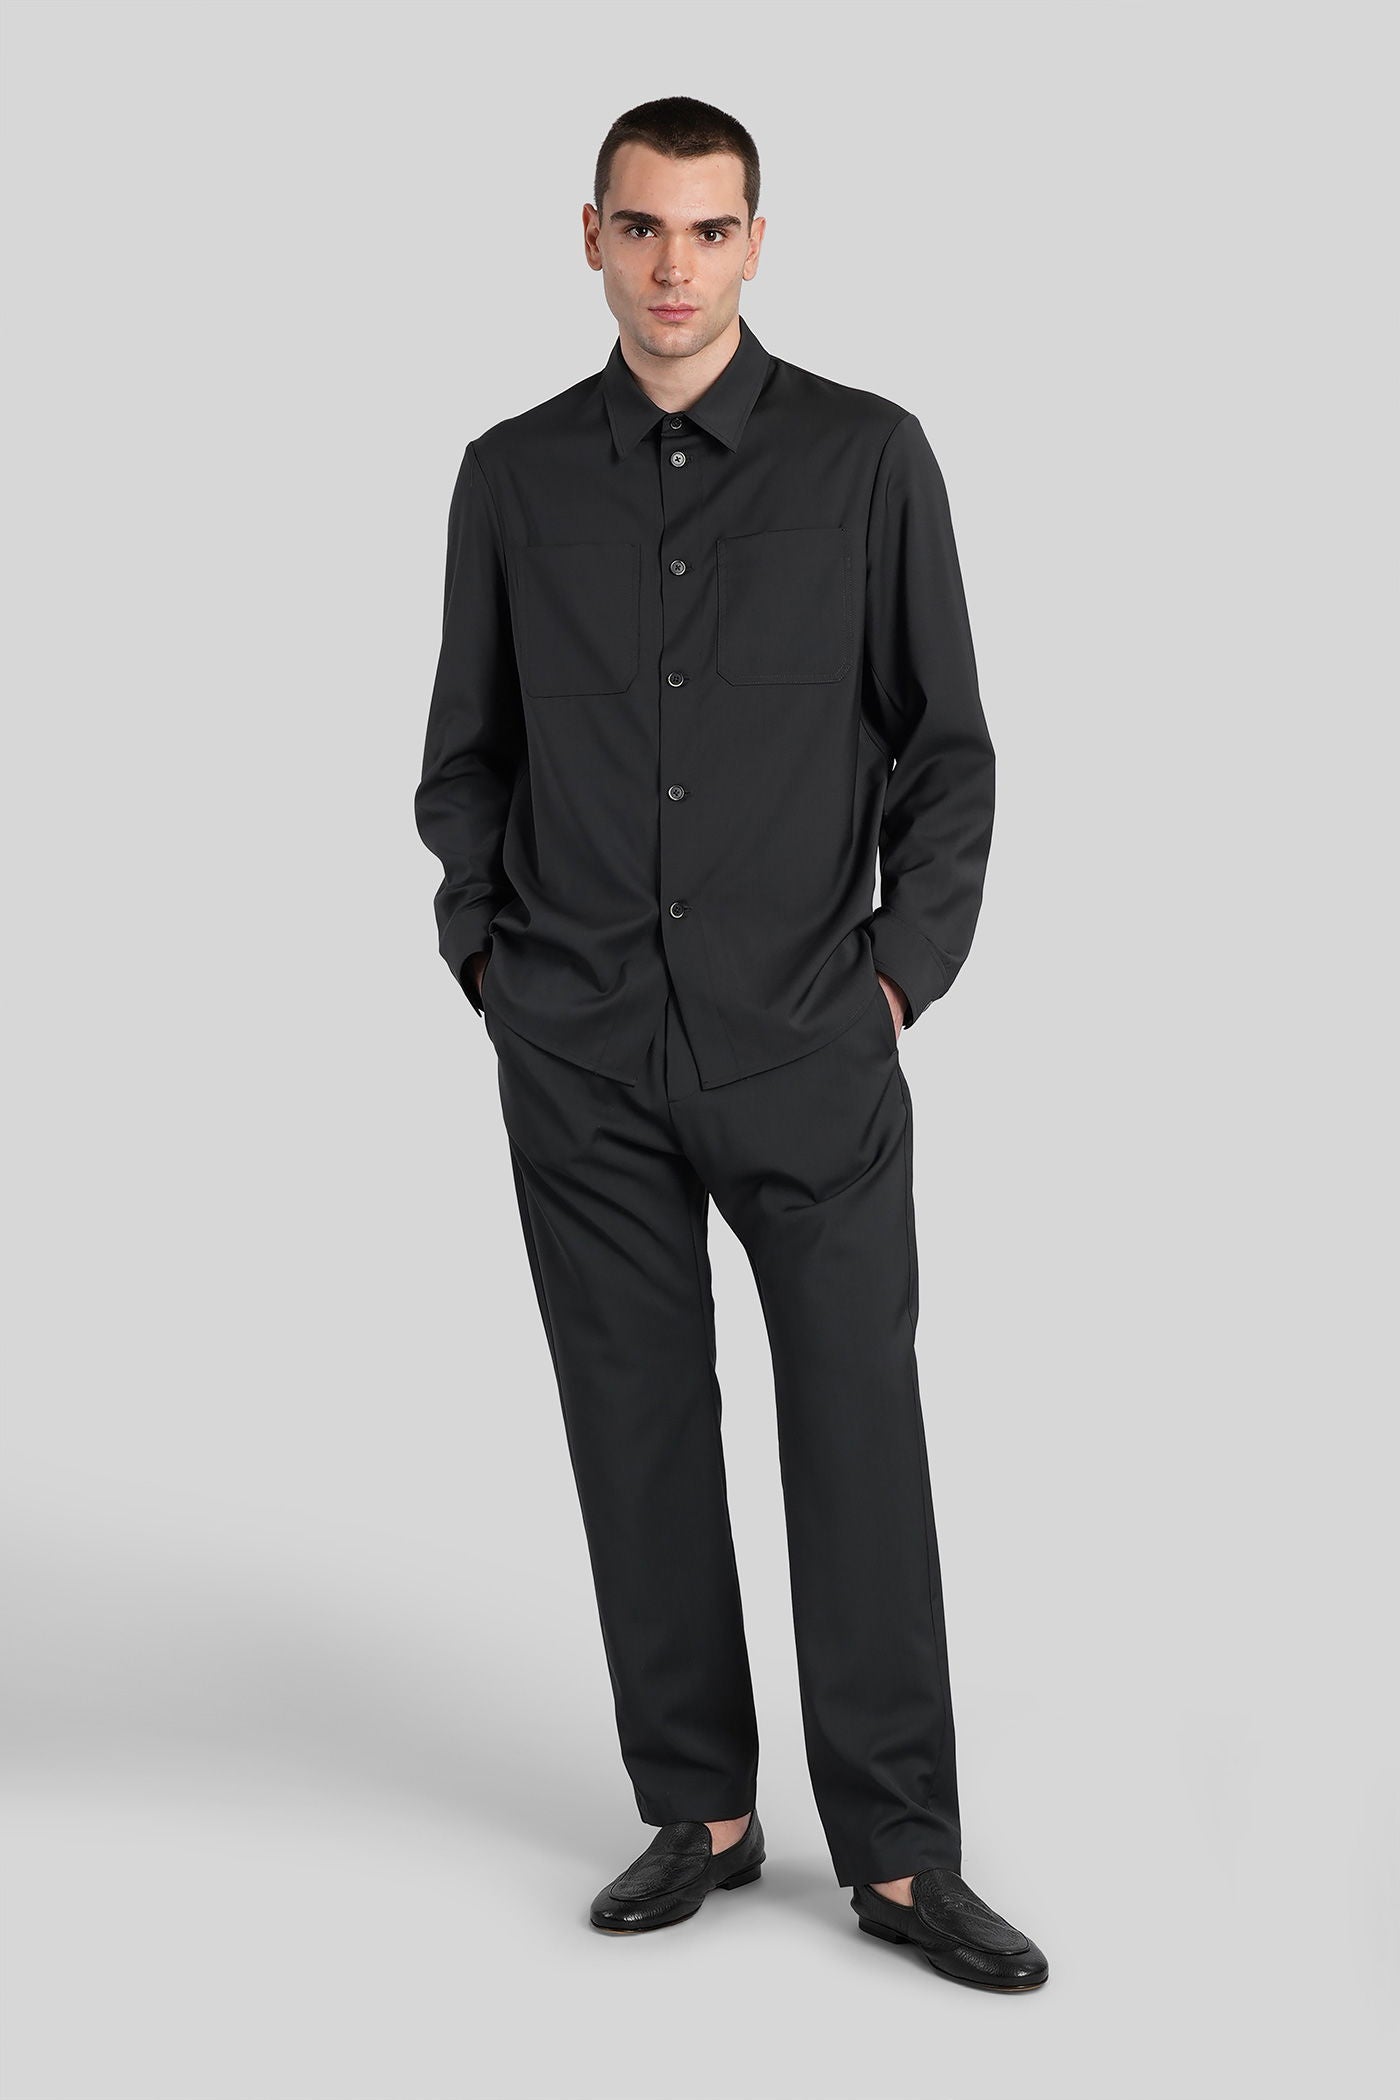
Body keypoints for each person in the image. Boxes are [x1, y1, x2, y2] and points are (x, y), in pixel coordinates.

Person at [414, 94, 1047, 1990]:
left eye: (708, 230)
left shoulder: (868, 459)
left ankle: (902, 1854)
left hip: (807, 1051)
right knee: (635, 1432)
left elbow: (947, 752)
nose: (674, 267)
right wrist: (493, 960)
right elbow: (467, 754)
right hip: (584, 1053)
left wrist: (896, 979)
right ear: (590, 238)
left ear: (757, 241)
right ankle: (695, 1806)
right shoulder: (512, 479)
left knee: (856, 1432)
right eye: (642, 228)